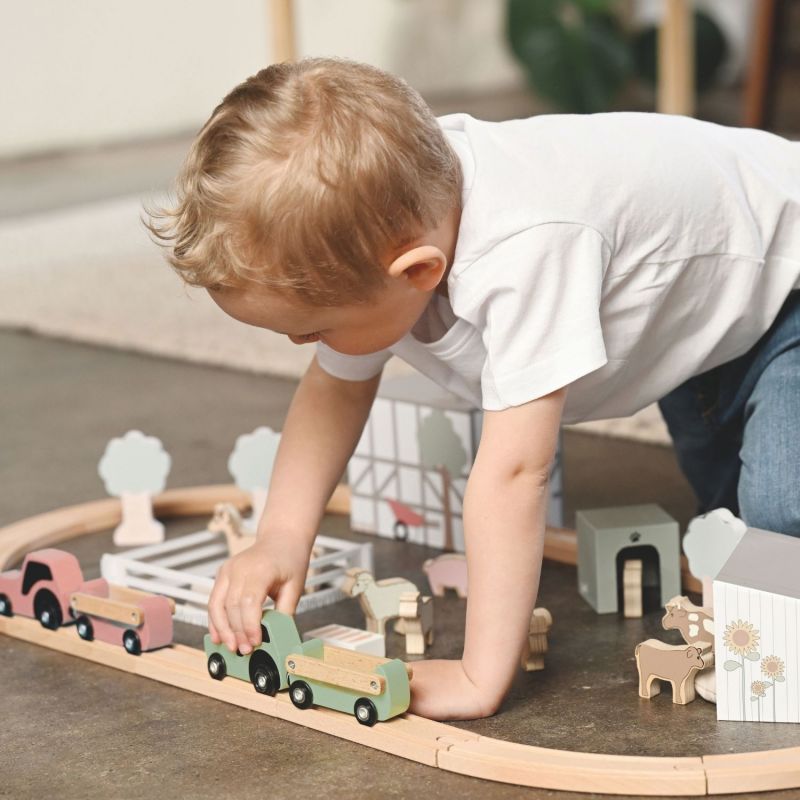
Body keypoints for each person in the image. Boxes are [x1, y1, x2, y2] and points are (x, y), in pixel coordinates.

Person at [146, 57, 800, 720]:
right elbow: (335, 391)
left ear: (418, 271)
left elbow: (515, 472)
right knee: (732, 524)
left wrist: (481, 672)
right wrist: (282, 534)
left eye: (313, 331)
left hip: (790, 280)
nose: (303, 347)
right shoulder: (397, 219)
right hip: (713, 320)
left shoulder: (525, 251)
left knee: (780, 515)